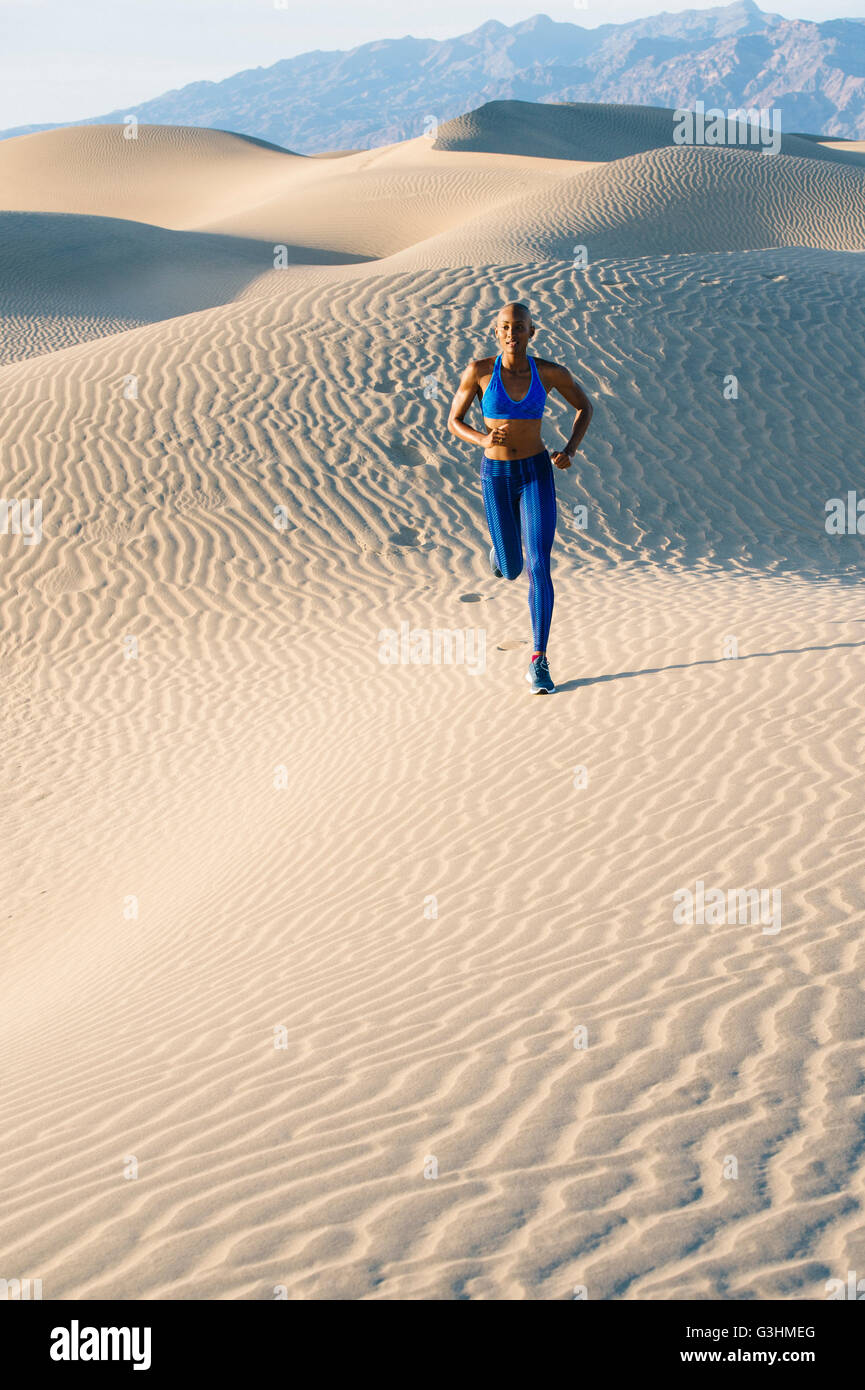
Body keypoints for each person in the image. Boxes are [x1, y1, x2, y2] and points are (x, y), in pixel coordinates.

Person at [447, 302, 593, 692]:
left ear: (532, 331)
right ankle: (500, 553)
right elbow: (453, 421)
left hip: (535, 473)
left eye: (521, 327)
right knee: (511, 568)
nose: (513, 333)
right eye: (506, 327)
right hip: (496, 475)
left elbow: (584, 406)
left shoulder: (549, 373)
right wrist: (482, 438)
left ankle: (539, 661)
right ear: (496, 332)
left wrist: (570, 449)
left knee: (539, 567)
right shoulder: (478, 372)